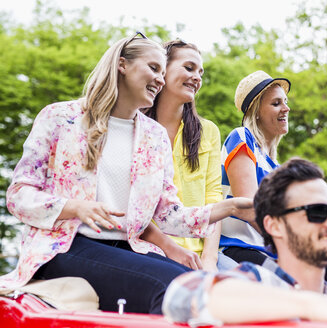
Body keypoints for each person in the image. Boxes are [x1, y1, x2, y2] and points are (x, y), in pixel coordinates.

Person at [0, 32, 253, 314]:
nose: (160, 79)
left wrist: (230, 207)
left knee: (207, 285)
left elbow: (168, 215)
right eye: (154, 68)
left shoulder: (154, 136)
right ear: (122, 65)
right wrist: (73, 207)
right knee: (175, 288)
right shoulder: (60, 117)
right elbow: (18, 196)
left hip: (130, 247)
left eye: (162, 71)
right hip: (64, 246)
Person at [163, 158, 327, 325]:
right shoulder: (259, 283)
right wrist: (311, 305)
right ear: (274, 225)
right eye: (318, 211)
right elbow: (182, 295)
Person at [220, 70, 327, 286]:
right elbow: (249, 207)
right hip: (241, 247)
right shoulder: (242, 137)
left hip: (270, 248)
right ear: (257, 110)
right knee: (296, 284)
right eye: (276, 103)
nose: (286, 108)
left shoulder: (275, 166)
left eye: (285, 102)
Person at [140, 39, 236, 272]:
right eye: (189, 68)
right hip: (150, 249)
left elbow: (213, 198)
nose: (197, 78)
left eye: (200, 72)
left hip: (201, 252)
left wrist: (210, 260)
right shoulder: (138, 127)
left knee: (249, 287)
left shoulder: (209, 131)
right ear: (162, 71)